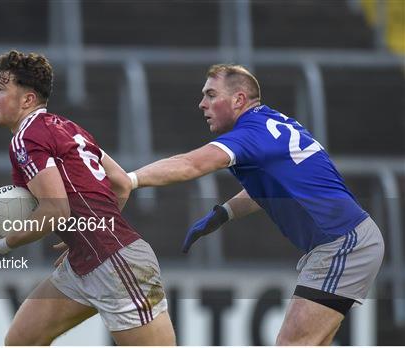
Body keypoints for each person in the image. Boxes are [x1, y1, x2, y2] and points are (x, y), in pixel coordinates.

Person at [127, 64, 384, 345]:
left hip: (343, 244)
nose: (202, 104)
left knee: (291, 344)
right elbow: (270, 186)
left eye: (211, 94)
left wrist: (130, 180)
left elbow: (190, 164)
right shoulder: (272, 123)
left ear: (238, 100)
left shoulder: (251, 134)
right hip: (349, 241)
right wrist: (224, 213)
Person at [0, 50, 175, 346]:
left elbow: (56, 210)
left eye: (1, 88)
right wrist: (86, 237)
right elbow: (120, 182)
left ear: (28, 100)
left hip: (117, 265)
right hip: (84, 262)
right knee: (21, 340)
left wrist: (4, 243)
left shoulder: (26, 138)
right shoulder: (67, 128)